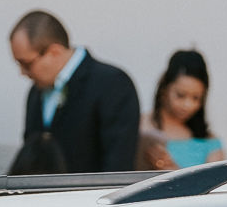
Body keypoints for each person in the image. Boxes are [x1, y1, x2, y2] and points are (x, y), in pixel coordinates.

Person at [8, 10, 140, 173]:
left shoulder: (112, 84)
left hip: (87, 196)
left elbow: (118, 165)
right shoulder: (35, 92)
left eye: (26, 64)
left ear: (54, 52)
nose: (22, 73)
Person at [137, 49, 224, 170]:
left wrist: (171, 168)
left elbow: (213, 185)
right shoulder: (140, 126)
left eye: (196, 98)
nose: (187, 105)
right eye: (180, 95)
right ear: (164, 88)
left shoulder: (210, 142)